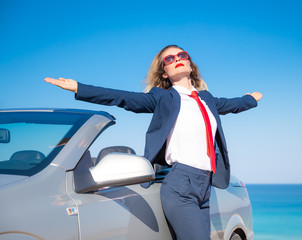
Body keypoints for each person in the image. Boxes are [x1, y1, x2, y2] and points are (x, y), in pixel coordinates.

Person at [44, 44, 262, 240]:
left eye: (181, 55)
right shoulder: (163, 98)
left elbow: (233, 104)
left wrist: (250, 100)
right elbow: (123, 98)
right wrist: (79, 88)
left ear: (190, 64)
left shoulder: (206, 99)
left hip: (205, 187)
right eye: (168, 59)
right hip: (180, 186)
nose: (176, 59)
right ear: (165, 73)